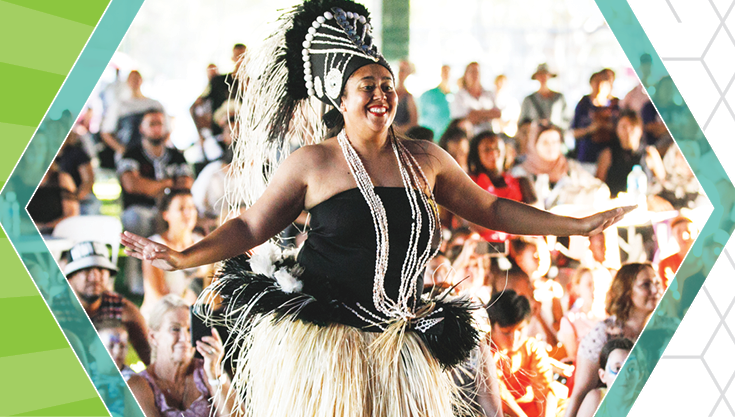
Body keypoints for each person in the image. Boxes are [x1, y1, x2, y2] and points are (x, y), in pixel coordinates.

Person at [120, 2, 632, 415]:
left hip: (402, 336)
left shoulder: (425, 158)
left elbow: (494, 210)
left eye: (387, 85)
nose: (381, 95)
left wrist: (576, 225)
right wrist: (186, 257)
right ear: (341, 99)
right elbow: (251, 224)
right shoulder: (313, 164)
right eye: (368, 87)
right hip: (328, 345)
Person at [564, 263, 662, 417]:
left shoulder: (662, 331)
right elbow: (581, 392)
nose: (655, 291)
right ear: (626, 291)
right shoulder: (603, 334)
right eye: (646, 285)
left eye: (657, 283)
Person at [127, 295, 234, 417]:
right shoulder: (139, 384)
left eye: (189, 330)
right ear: (153, 337)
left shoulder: (205, 372)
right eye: (175, 329)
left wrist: (215, 373)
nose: (185, 338)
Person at [62, 241, 152, 366]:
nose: (94, 277)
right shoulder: (54, 308)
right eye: (86, 270)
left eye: (101, 270)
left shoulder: (122, 309)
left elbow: (149, 356)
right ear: (70, 277)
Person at [119, 110, 195, 238]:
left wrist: (151, 186)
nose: (157, 128)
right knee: (136, 218)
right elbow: (132, 185)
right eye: (152, 124)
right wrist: (169, 182)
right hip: (141, 209)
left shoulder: (176, 155)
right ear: (141, 128)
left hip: (172, 209)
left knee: (185, 214)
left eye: (160, 124)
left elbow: (187, 183)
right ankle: (139, 257)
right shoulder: (131, 155)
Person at [488, 290, 560, 417]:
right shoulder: (486, 353)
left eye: (520, 330)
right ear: (492, 327)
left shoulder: (531, 348)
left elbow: (544, 388)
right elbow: (500, 394)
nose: (514, 338)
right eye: (506, 332)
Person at [511, 124, 606, 209]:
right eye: (545, 142)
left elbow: (600, 189)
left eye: (555, 142)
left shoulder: (569, 167)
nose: (551, 147)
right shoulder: (520, 173)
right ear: (534, 144)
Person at [467, 131, 539, 242]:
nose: (493, 153)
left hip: (521, 245)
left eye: (497, 149)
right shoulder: (470, 183)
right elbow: (472, 222)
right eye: (487, 150)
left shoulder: (522, 182)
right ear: (477, 154)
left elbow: (537, 216)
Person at [143, 189, 206, 310]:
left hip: (195, 314)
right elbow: (155, 296)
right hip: (162, 313)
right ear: (166, 214)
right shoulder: (155, 246)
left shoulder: (202, 242)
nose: (188, 213)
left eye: (191, 207)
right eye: (181, 209)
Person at [595, 110, 664, 198]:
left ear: (640, 129)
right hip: (615, 203)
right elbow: (598, 184)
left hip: (645, 203)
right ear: (617, 130)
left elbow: (662, 183)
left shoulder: (650, 153)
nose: (628, 131)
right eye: (623, 127)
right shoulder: (607, 154)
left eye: (632, 127)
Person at [101, 70, 164, 157]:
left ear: (141, 80)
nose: (135, 81)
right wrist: (121, 150)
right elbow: (106, 132)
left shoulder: (154, 104)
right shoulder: (119, 105)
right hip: (129, 152)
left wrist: (161, 149)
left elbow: (167, 128)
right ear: (127, 82)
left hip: (152, 154)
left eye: (137, 78)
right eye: (132, 79)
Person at [570, 70, 619, 169]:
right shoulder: (583, 105)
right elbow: (573, 132)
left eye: (602, 82)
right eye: (596, 82)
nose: (599, 86)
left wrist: (606, 126)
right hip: (586, 157)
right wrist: (590, 129)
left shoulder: (615, 105)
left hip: (610, 159)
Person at [574, 338, 633, 417]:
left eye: (631, 369)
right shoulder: (595, 399)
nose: (624, 376)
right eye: (617, 369)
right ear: (603, 376)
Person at [27, 163, 79, 235]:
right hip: (25, 235)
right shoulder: (15, 181)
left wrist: (46, 228)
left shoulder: (62, 179)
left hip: (59, 234)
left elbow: (72, 213)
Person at [452, 62, 502, 134]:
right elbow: (465, 119)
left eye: (477, 72)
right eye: (471, 72)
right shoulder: (459, 96)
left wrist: (477, 114)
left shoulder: (489, 94)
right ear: (465, 75)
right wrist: (488, 114)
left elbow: (497, 114)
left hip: (489, 134)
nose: (474, 75)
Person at [519, 64, 567, 129]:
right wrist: (536, 124)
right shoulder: (529, 100)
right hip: (534, 134)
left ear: (550, 76)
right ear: (536, 77)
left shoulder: (559, 98)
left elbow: (567, 120)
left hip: (554, 133)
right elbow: (522, 123)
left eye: (545, 74)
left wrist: (554, 127)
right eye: (540, 75)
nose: (543, 77)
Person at [419, 64, 454, 140]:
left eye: (448, 73)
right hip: (432, 138)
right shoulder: (428, 95)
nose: (446, 75)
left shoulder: (456, 96)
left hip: (450, 139)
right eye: (444, 72)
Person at [657, 216, 694, 286]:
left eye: (688, 231)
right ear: (673, 235)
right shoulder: (666, 264)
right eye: (678, 232)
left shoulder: (709, 257)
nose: (684, 236)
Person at [392, 59, 419, 132]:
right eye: (400, 70)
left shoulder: (408, 97)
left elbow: (414, 122)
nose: (400, 74)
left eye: (403, 71)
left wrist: (397, 130)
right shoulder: (385, 93)